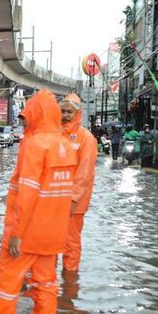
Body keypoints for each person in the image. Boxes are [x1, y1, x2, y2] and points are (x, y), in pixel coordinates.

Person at [0, 90, 77, 314]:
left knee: (7, 282)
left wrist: (17, 233)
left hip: (26, 234)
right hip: (53, 235)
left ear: (37, 113)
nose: (24, 120)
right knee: (46, 283)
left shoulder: (34, 145)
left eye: (27, 115)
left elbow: (27, 193)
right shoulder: (65, 146)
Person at [59, 93, 97, 273]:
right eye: (63, 111)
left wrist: (73, 200)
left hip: (75, 203)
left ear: (78, 113)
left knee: (70, 244)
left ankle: (70, 282)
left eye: (69, 112)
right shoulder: (56, 134)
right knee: (48, 243)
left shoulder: (86, 138)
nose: (65, 115)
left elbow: (85, 174)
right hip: (55, 199)